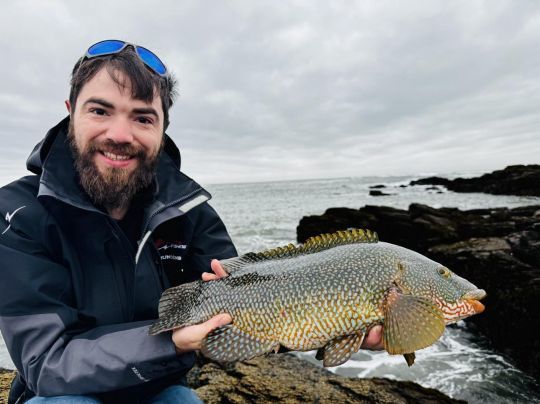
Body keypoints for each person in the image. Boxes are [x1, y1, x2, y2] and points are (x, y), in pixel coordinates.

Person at [0, 40, 383, 403]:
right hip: (58, 391)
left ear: (163, 128)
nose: (119, 134)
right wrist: (170, 341)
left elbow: (250, 309)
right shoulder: (19, 213)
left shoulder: (189, 212)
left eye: (143, 117)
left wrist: (338, 321)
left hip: (157, 388)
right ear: (71, 111)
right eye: (99, 111)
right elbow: (44, 362)